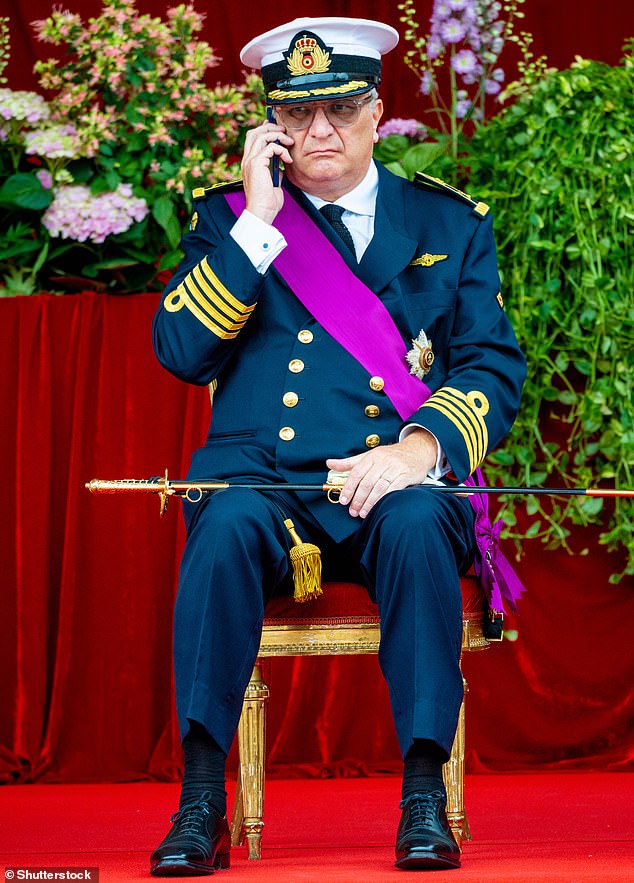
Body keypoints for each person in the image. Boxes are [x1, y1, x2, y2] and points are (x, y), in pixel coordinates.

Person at [150, 16, 526, 875]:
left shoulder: (447, 221)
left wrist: (421, 446)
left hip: (385, 475)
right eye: (297, 112)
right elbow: (181, 354)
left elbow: (492, 363)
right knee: (222, 524)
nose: (321, 131)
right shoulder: (231, 220)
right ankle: (201, 797)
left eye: (342, 108)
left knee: (424, 521)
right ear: (271, 123)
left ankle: (424, 793)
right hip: (264, 481)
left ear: (376, 110)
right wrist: (257, 226)